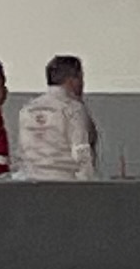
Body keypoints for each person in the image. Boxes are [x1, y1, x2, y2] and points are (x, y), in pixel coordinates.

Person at [10, 53, 101, 182]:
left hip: (30, 183)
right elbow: (81, 153)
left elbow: (22, 152)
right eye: (81, 78)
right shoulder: (73, 109)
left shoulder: (27, 109)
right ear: (72, 80)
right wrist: (91, 186)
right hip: (66, 183)